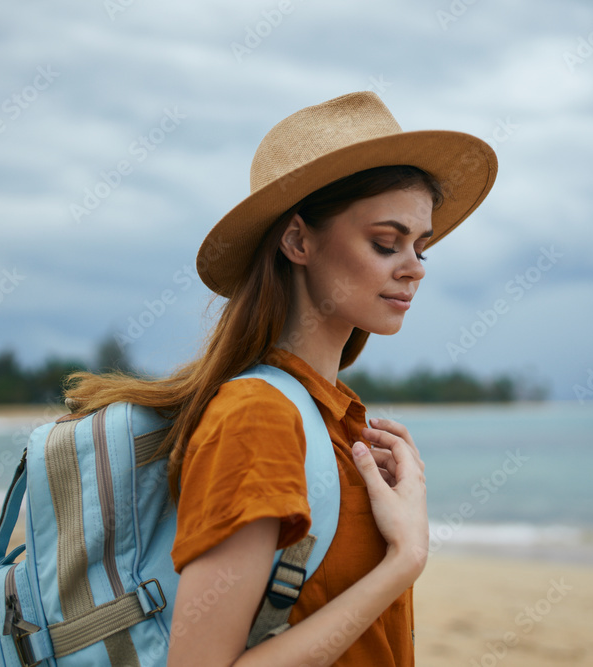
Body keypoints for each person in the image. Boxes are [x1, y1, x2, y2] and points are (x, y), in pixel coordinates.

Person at [64, 91, 496, 666]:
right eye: (386, 242)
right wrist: (404, 560)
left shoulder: (336, 417)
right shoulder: (257, 417)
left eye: (421, 245)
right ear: (298, 241)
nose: (414, 266)